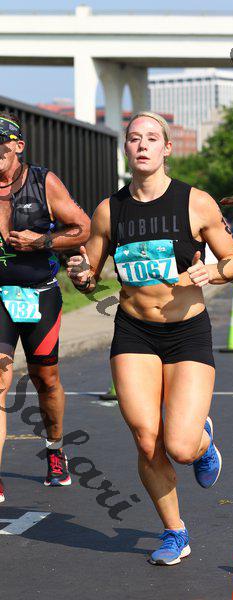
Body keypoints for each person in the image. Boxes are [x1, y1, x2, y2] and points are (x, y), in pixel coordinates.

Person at [66, 111, 233, 566]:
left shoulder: (195, 202)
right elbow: (90, 277)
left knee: (179, 446)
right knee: (147, 440)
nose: (142, 145)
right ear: (126, 149)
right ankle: (174, 531)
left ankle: (202, 441)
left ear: (167, 148)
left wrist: (214, 272)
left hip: (186, 333)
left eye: (151, 138)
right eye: (133, 138)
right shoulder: (109, 210)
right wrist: (81, 274)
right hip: (134, 331)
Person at [0, 111, 91, 503]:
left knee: (46, 379)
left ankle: (55, 449)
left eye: (1, 145)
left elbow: (83, 228)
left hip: (39, 293)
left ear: (18, 146)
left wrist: (39, 242)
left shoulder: (43, 181)